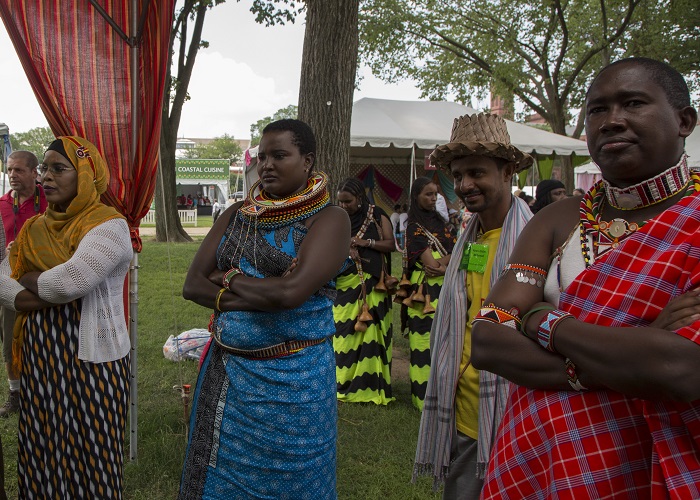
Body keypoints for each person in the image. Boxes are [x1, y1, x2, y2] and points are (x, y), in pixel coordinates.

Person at [472, 58, 700, 498]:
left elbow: (680, 368)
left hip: (658, 462)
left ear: (684, 120)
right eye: (597, 110)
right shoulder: (559, 219)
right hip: (544, 456)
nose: (612, 121)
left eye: (633, 103)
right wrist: (634, 350)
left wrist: (542, 322)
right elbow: (488, 335)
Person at [179, 119, 350, 499]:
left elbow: (289, 294)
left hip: (296, 383)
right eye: (262, 156)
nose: (267, 164)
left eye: (279, 155)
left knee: (297, 481)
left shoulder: (330, 220)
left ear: (307, 161)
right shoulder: (237, 214)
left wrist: (229, 276)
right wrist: (262, 290)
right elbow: (193, 284)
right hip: (229, 378)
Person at [0, 136, 132, 497]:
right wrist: (32, 297)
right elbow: (2, 280)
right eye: (44, 168)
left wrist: (26, 280)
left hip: (93, 360)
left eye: (59, 169)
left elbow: (72, 280)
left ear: (86, 175)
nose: (46, 177)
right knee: (45, 445)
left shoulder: (110, 226)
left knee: (93, 448)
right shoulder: (34, 228)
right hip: (42, 357)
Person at [412, 113, 533, 499]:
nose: (465, 185)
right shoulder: (472, 237)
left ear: (509, 170)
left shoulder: (537, 240)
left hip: (514, 408)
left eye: (477, 173)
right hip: (463, 407)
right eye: (459, 175)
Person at [334, 177, 395, 405]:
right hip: (345, 282)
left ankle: (371, 386)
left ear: (359, 198)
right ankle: (344, 381)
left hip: (373, 284)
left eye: (348, 201)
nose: (344, 206)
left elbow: (390, 244)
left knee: (372, 334)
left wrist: (366, 243)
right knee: (344, 333)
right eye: (341, 202)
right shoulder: (338, 218)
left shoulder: (377, 214)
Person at [401, 177, 456, 410]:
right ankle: (423, 399)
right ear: (416, 197)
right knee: (423, 341)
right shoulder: (413, 227)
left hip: (446, 287)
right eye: (428, 194)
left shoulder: (442, 224)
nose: (433, 199)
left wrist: (441, 266)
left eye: (435, 194)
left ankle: (444, 396)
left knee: (445, 340)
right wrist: (445, 263)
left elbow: (455, 254)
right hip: (422, 291)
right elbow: (429, 263)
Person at [0, 150, 47, 417]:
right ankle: (15, 395)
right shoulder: (2, 204)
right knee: (10, 343)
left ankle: (42, 392)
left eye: (18, 170)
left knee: (43, 340)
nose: (12, 175)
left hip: (43, 279)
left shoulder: (51, 201)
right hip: (9, 283)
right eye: (9, 170)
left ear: (34, 172)